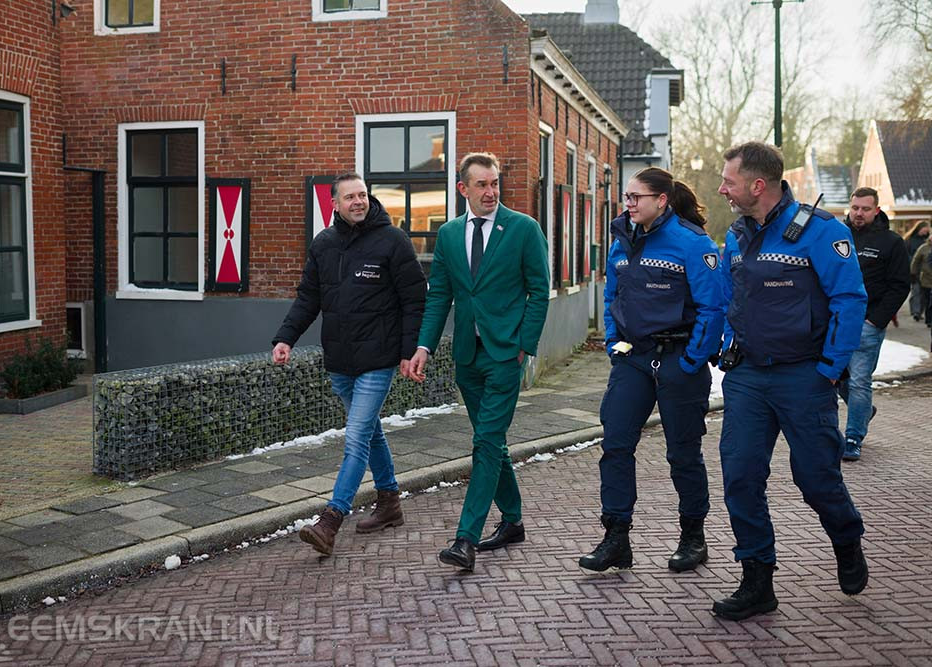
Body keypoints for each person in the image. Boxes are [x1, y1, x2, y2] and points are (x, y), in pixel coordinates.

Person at [713, 142, 869, 621]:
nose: (722, 188)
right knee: (739, 476)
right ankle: (757, 579)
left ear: (757, 185)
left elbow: (850, 299)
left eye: (729, 181)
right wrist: (724, 348)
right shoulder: (735, 236)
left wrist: (829, 368)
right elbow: (724, 300)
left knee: (816, 478)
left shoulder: (822, 232)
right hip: (748, 378)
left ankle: (846, 538)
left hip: (804, 377)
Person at [577, 167, 726, 575]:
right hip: (634, 360)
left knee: (682, 454)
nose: (629, 203)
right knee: (616, 444)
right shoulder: (621, 239)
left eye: (636, 197)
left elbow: (714, 307)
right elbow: (612, 297)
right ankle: (616, 538)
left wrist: (694, 359)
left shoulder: (692, 243)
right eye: (626, 196)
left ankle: (693, 537)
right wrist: (615, 345)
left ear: (661, 200)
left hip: (680, 360)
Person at [407, 152, 549, 572]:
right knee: (492, 441)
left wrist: (525, 344)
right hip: (467, 356)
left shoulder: (524, 229)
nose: (491, 192)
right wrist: (424, 347)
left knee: (485, 442)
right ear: (463, 189)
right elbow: (440, 296)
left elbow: (538, 290)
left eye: (495, 183)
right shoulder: (448, 234)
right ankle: (513, 520)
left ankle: (465, 538)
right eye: (482, 185)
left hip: (506, 354)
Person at [272, 172, 426, 556]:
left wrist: (410, 351)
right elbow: (308, 298)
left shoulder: (393, 240)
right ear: (334, 204)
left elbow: (414, 301)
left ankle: (331, 520)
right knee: (369, 431)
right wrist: (285, 338)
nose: (358, 202)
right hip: (339, 360)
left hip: (378, 358)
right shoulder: (323, 245)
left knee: (355, 437)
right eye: (350, 197)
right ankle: (390, 502)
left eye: (363, 195)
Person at [836, 188, 910, 461]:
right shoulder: (836, 236)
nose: (858, 213)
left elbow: (900, 285)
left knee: (858, 382)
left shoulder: (891, 242)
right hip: (833, 322)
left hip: (867, 323)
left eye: (865, 209)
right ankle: (861, 413)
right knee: (831, 378)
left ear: (876, 210)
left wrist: (876, 320)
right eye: (855, 207)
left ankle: (853, 437)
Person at [903, 220, 931, 321]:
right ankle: (916, 312)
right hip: (913, 269)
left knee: (924, 293)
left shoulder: (927, 241)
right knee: (916, 291)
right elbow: (906, 254)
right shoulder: (909, 240)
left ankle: (920, 311)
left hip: (925, 272)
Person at [911, 232, 932, 350]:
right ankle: (928, 319)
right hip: (926, 279)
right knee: (927, 300)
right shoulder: (924, 248)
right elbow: (916, 260)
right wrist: (913, 273)